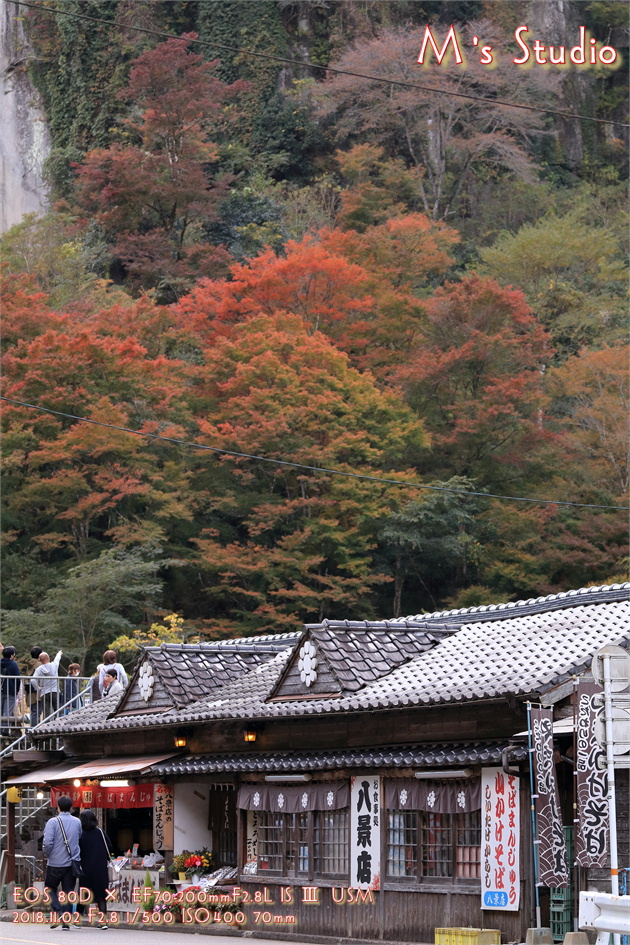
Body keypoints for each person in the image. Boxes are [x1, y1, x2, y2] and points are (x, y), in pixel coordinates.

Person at [42, 795, 82, 930]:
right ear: (71, 807)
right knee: (68, 891)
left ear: (57, 807)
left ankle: (58, 912)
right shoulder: (77, 822)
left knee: (49, 888)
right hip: (71, 863)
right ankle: (66, 921)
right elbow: (79, 838)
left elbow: (47, 843)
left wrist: (48, 854)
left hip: (55, 863)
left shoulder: (52, 822)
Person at [76, 810, 112, 929]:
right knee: (101, 896)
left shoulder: (80, 835)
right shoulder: (100, 832)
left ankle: (77, 920)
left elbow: (77, 851)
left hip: (85, 869)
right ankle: (103, 922)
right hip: (100, 869)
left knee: (84, 895)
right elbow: (110, 847)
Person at [31, 650, 62, 727]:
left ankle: (47, 727)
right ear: (48, 658)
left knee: (46, 712)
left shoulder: (39, 669)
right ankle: (59, 726)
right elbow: (57, 659)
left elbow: (32, 680)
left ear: (40, 660)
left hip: (44, 692)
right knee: (58, 710)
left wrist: (38, 688)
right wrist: (59, 653)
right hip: (55, 691)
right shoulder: (54, 665)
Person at [1, 646, 21, 736]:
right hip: (11, 690)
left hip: (1, 690)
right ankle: (4, 730)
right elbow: (17, 678)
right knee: (7, 711)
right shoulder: (13, 664)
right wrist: (16, 691)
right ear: (11, 655)